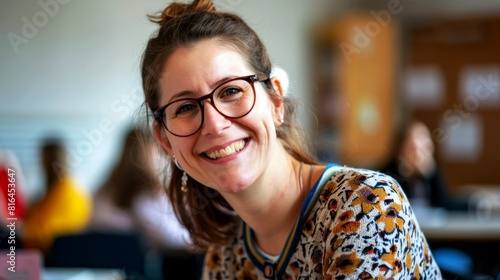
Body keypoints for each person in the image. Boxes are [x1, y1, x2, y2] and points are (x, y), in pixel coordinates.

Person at [140, 0, 442, 278]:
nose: (215, 125)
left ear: (275, 101)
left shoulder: (366, 206)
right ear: (165, 141)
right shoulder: (224, 255)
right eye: (187, 107)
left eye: (231, 91)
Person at [88, 126, 191, 252]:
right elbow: (172, 239)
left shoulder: (104, 189)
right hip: (140, 266)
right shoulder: (147, 193)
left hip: (102, 264)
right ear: (150, 152)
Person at [21, 137, 92, 254]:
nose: (39, 163)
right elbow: (34, 211)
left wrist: (21, 229)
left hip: (61, 254)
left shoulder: (65, 190)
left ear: (51, 159)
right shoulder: (55, 188)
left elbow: (47, 230)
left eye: (43, 158)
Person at [381, 120, 468, 211]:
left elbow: (442, 202)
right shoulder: (389, 174)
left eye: (424, 146)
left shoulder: (431, 168)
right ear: (401, 148)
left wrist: (427, 174)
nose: (418, 154)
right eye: (412, 148)